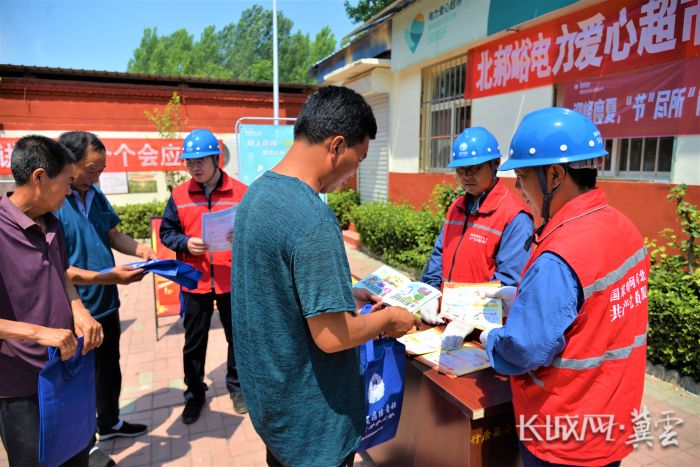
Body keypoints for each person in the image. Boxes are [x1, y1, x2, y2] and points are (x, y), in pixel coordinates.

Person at [231, 86, 420, 467]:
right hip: (313, 425)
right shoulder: (312, 218)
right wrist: (389, 319)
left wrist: (345, 293)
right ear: (336, 146)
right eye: (359, 158)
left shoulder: (258, 194)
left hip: (275, 408)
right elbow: (332, 337)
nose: (354, 175)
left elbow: (280, 290)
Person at [482, 108, 649, 467]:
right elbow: (595, 312)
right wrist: (528, 298)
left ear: (554, 175)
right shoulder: (624, 228)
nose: (517, 188)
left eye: (522, 176)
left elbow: (522, 350)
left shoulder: (561, 254)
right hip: (611, 422)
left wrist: (490, 339)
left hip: (562, 433)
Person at [0, 135, 103, 467]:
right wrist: (37, 333)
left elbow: (61, 274)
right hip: (20, 384)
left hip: (64, 367)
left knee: (76, 454)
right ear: (40, 177)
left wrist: (79, 309)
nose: (71, 192)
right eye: (67, 183)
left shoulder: (53, 223)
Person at [55, 131, 156, 465]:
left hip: (106, 304)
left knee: (109, 370)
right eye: (92, 169)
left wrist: (141, 249)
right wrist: (110, 276)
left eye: (101, 169)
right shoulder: (54, 201)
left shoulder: (95, 195)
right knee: (80, 379)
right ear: (68, 164)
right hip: (74, 309)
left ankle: (109, 422)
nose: (97, 176)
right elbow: (56, 268)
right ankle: (87, 445)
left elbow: (112, 233)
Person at [160, 128, 248, 424]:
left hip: (230, 279)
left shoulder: (241, 192)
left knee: (237, 338)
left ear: (216, 159)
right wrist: (186, 243)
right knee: (194, 342)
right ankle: (195, 394)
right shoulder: (179, 195)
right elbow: (167, 233)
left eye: (200, 161)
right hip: (195, 280)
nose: (194, 167)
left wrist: (244, 235)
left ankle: (237, 388)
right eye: (189, 162)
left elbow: (258, 232)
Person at [419, 126, 533, 349]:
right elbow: (439, 254)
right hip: (446, 322)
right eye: (460, 170)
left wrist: (469, 318)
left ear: (495, 164)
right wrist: (430, 294)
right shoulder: (457, 207)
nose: (466, 176)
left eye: (474, 168)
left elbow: (508, 282)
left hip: (485, 332)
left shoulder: (514, 217)